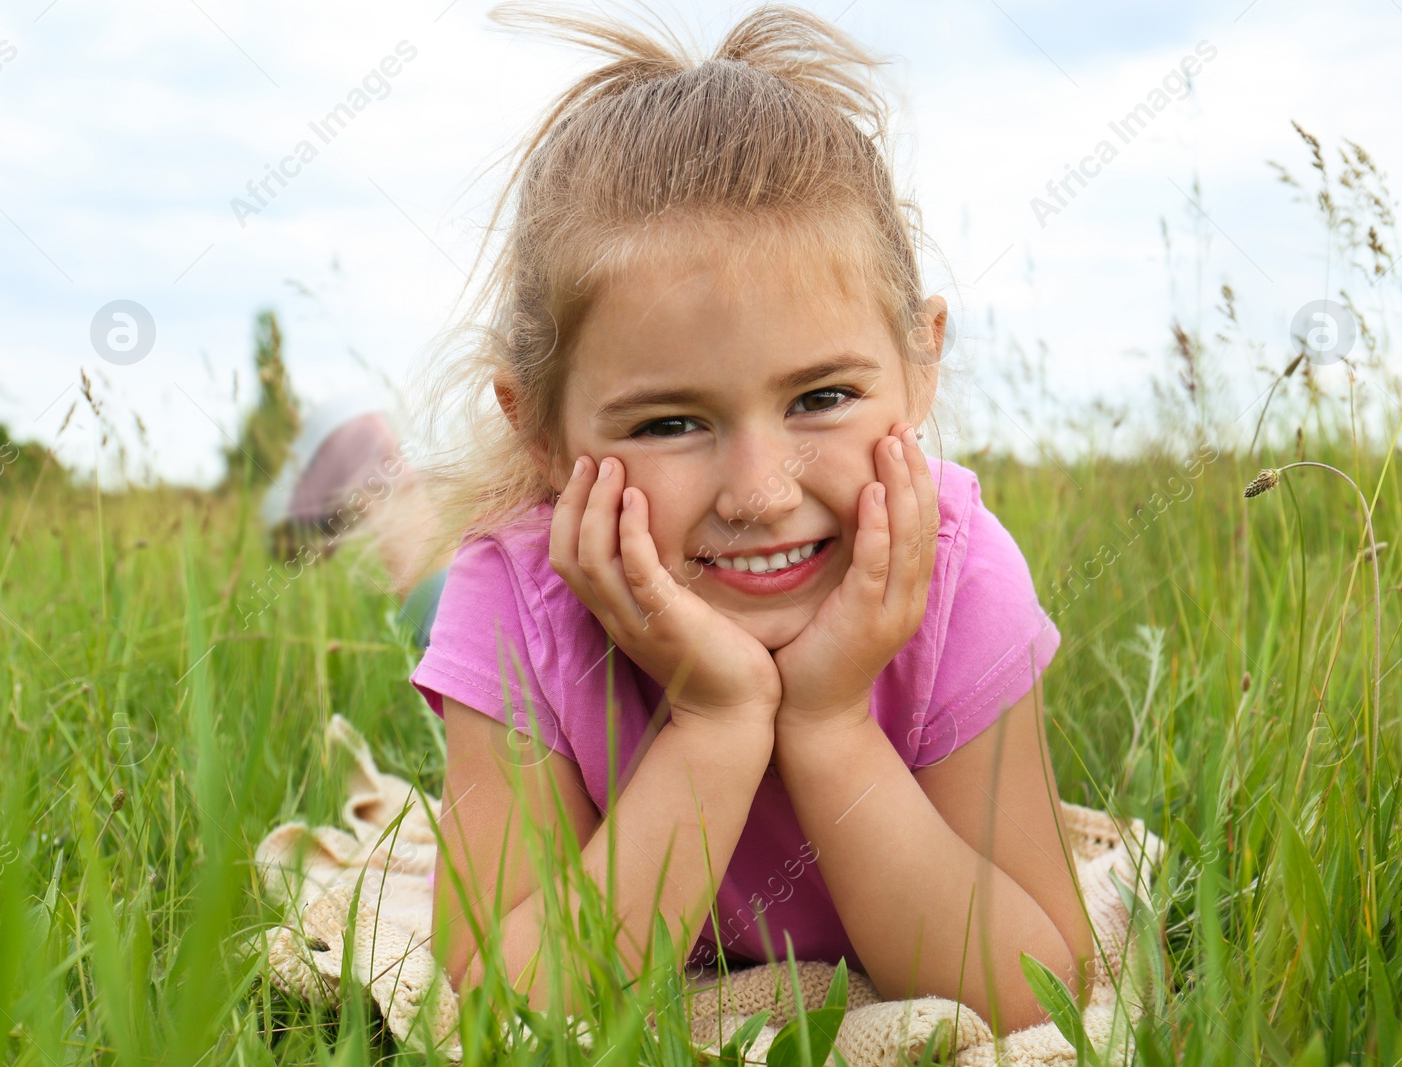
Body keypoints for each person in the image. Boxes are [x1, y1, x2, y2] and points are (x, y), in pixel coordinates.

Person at [371, 2, 1091, 1035]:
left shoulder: (959, 569)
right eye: (671, 421)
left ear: (919, 363)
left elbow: (1039, 990)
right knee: (435, 591)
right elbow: (494, 1008)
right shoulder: (514, 599)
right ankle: (401, 521)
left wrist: (828, 722)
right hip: (518, 584)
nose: (759, 491)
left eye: (821, 398)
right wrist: (714, 725)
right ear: (540, 432)